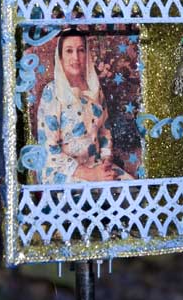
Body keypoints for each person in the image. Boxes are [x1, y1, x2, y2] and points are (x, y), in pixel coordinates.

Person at [36, 29, 133, 184]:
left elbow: (104, 132)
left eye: (81, 50)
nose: (76, 57)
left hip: (95, 166)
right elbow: (49, 150)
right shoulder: (52, 92)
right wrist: (90, 175)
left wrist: (106, 162)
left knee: (131, 188)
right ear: (60, 57)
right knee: (93, 197)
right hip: (61, 171)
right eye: (69, 51)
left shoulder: (95, 89)